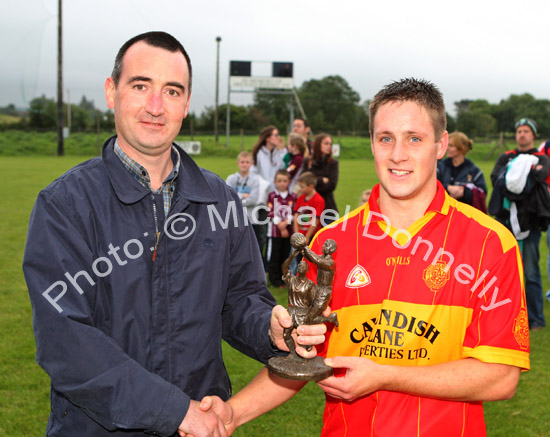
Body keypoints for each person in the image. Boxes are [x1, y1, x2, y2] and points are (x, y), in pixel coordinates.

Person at [22, 31, 327, 437]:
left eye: (171, 91)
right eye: (141, 85)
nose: (155, 106)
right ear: (112, 92)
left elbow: (241, 300)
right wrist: (173, 410)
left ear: (185, 104)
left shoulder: (219, 200)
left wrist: (270, 327)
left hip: (200, 422)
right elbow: (66, 340)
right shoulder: (65, 205)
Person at [199, 78, 530, 436]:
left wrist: (387, 376)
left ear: (441, 144)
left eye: (414, 138)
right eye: (385, 138)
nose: (397, 154)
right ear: (372, 143)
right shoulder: (330, 243)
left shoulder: (490, 244)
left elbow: (501, 376)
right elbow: (303, 359)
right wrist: (231, 414)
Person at [490, 118, 550, 331]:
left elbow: (540, 176)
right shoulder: (505, 156)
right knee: (503, 272)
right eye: (519, 131)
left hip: (530, 224)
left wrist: (520, 179)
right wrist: (526, 177)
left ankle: (535, 319)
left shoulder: (541, 157)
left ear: (533, 135)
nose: (522, 135)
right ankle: (505, 316)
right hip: (505, 222)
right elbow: (496, 179)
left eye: (526, 131)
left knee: (531, 272)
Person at [437, 131, 488, 212]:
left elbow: (482, 194)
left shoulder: (474, 171)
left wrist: (464, 192)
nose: (447, 148)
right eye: (447, 145)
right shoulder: (439, 167)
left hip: (465, 216)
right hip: (441, 214)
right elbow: (430, 187)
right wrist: (448, 188)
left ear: (461, 148)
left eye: (451, 145)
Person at [226, 151, 264, 252]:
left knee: (252, 249)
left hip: (251, 219)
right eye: (242, 162)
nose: (244, 164)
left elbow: (253, 200)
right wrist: (243, 195)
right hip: (235, 219)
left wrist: (236, 197)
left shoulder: (255, 180)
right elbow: (227, 197)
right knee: (236, 249)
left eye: (247, 162)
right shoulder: (231, 178)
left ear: (251, 164)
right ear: (238, 163)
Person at [267, 170, 296, 288]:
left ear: (289, 182)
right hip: (275, 232)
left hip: (288, 232)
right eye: (279, 181)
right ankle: (274, 280)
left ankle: (284, 278)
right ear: (275, 182)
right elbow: (270, 211)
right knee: (275, 255)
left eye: (284, 181)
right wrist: (280, 224)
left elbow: (294, 212)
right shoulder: (272, 196)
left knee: (286, 256)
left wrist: (286, 223)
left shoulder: (293, 196)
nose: (282, 183)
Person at [303, 133, 339, 224]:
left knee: (328, 236)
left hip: (328, 207)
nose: (329, 146)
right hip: (310, 206)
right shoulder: (308, 161)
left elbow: (332, 185)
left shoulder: (333, 163)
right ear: (318, 144)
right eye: (326, 143)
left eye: (330, 144)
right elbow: (304, 182)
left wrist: (313, 185)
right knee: (309, 237)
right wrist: (321, 180)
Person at [292, 171, 325, 245]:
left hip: (311, 236)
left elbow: (315, 220)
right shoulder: (301, 198)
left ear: (311, 186)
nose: (300, 189)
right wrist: (297, 234)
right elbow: (296, 215)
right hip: (300, 236)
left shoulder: (319, 200)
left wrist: (307, 237)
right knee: (297, 256)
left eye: (302, 187)